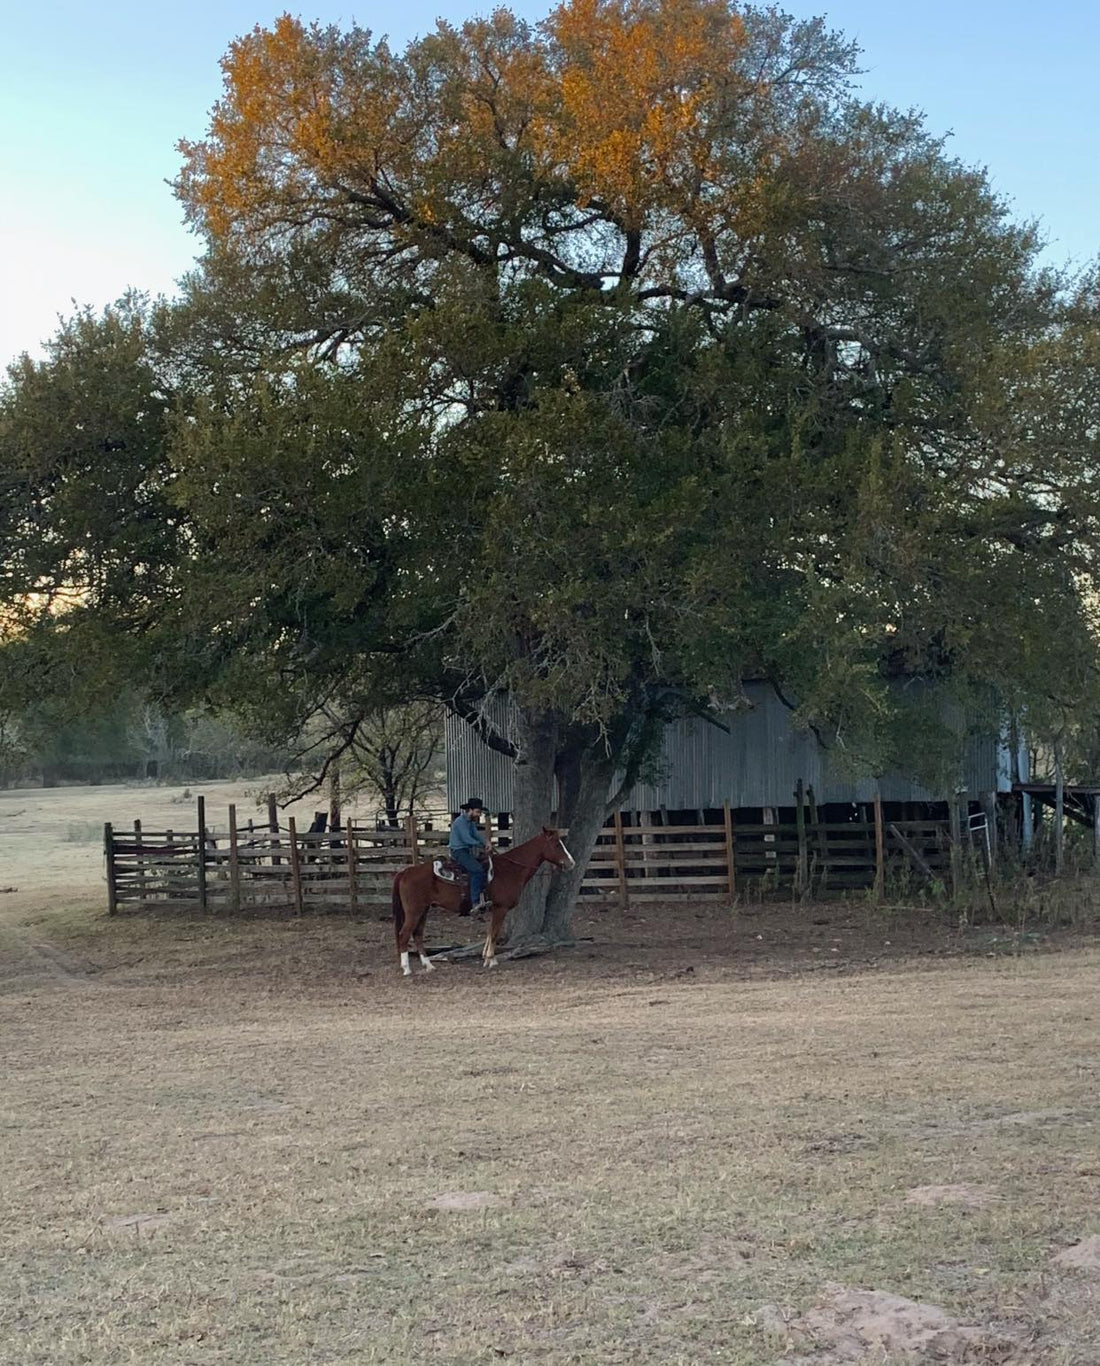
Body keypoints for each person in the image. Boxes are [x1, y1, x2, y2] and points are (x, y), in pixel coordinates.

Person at [448, 798, 491, 909]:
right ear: (470, 810)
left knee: (485, 865)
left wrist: (486, 842)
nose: (479, 814)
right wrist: (481, 845)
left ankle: (483, 897)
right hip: (458, 851)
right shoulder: (460, 822)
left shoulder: (470, 822)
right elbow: (467, 839)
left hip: (466, 851)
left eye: (480, 812)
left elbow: (476, 834)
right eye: (477, 811)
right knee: (477, 870)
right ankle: (475, 902)